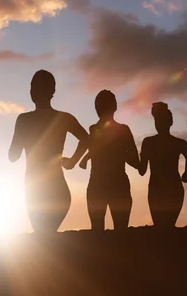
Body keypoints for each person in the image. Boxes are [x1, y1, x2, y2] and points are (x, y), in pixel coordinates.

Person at [9, 70, 89, 233]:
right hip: (57, 189)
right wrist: (73, 161)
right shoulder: (64, 118)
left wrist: (25, 137)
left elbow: (13, 156)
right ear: (52, 92)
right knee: (47, 238)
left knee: (43, 239)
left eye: (32, 87)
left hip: (35, 190)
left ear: (33, 91)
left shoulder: (24, 120)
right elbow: (87, 139)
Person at [77, 90, 140, 231]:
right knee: (119, 232)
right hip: (116, 184)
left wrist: (88, 156)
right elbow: (136, 162)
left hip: (101, 185)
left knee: (100, 232)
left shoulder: (95, 130)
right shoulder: (122, 130)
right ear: (115, 107)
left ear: (96, 109)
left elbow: (135, 163)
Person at [138, 102, 187, 228]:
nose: (158, 123)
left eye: (159, 120)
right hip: (168, 188)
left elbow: (142, 170)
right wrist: (186, 173)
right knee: (166, 227)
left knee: (162, 227)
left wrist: (129, 157)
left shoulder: (149, 142)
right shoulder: (178, 143)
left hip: (160, 188)